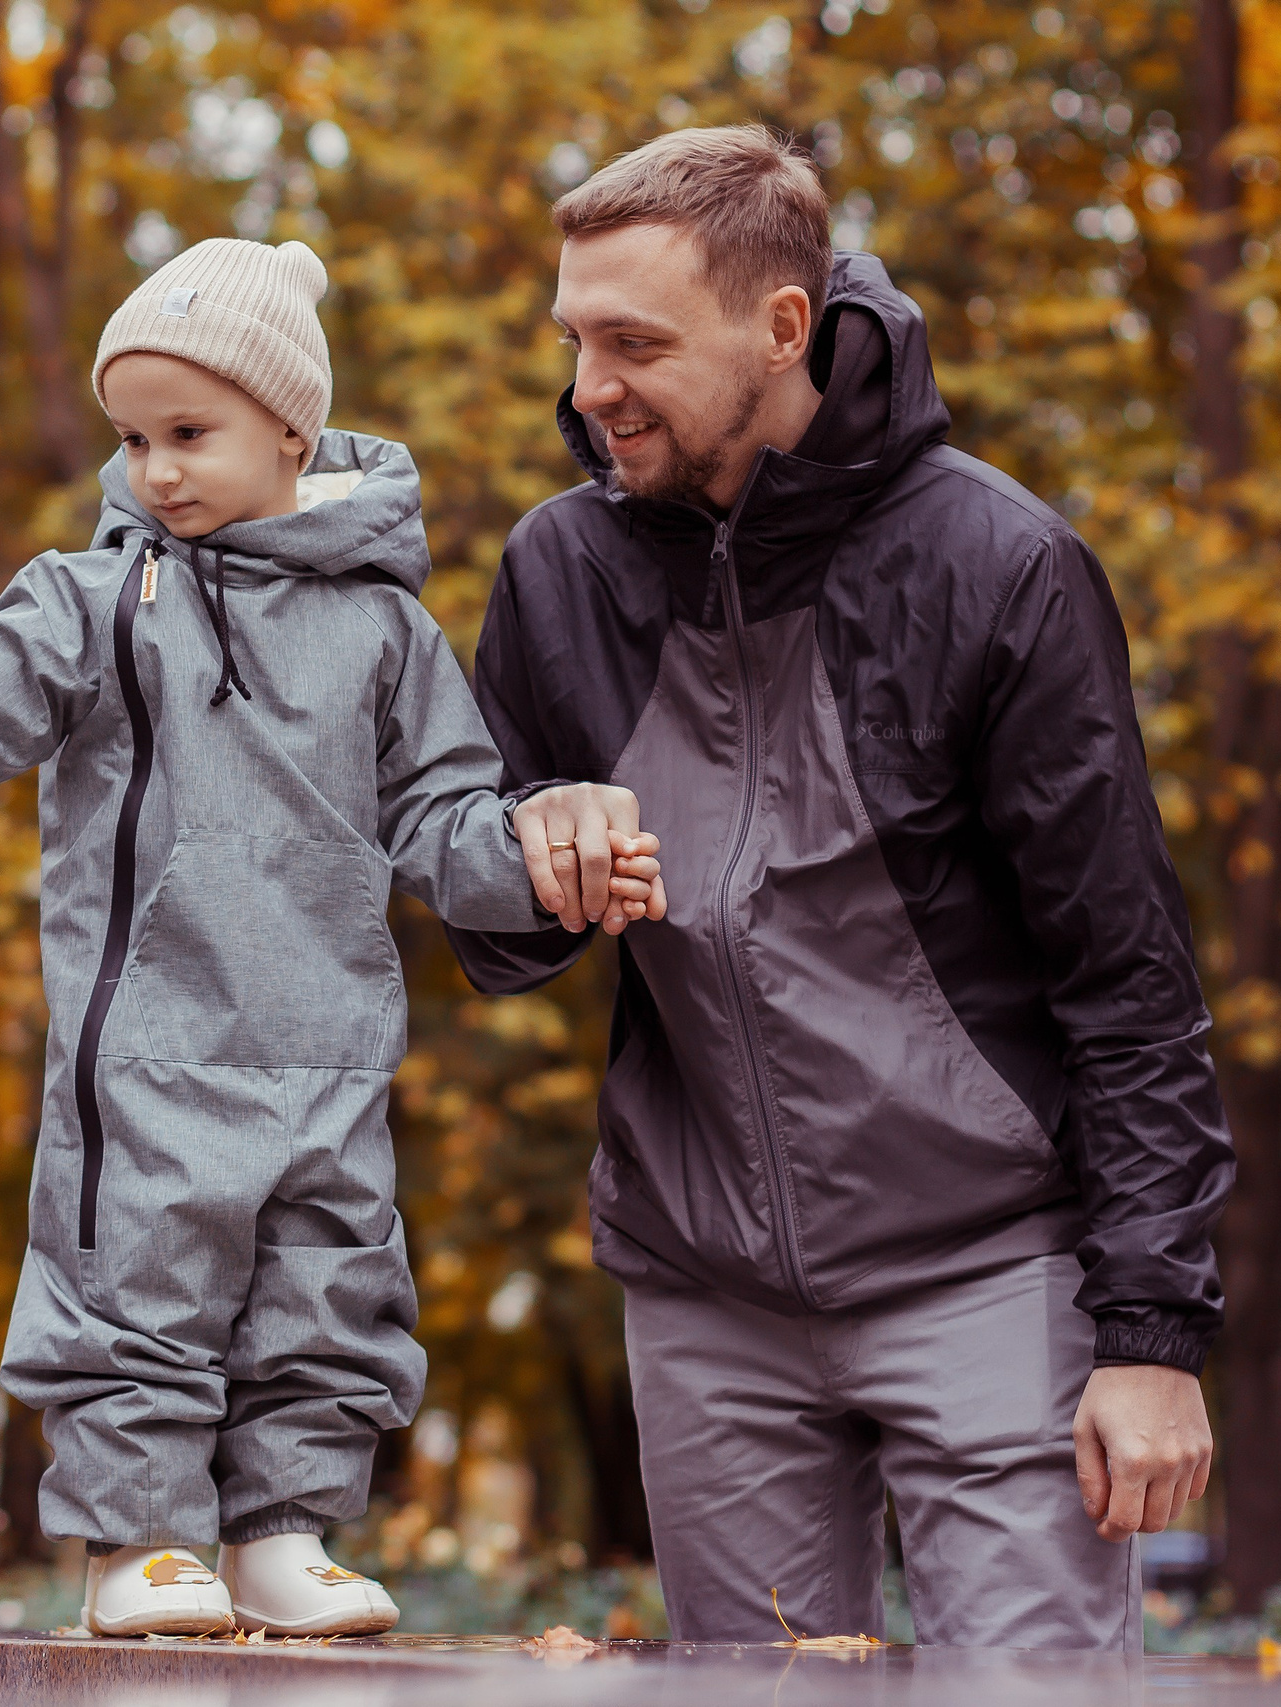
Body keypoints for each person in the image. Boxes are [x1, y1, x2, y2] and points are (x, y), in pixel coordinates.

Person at [0, 237, 661, 1638]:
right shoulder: (105, 600)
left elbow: (446, 815)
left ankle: (283, 1534)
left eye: (190, 433)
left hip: (328, 1052)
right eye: (134, 438)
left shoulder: (388, 633)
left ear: (290, 430)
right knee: (139, 1294)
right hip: (156, 1045)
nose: (156, 470)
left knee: (325, 1296)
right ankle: (141, 1543)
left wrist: (541, 874)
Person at [451, 127, 1235, 1649]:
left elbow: (1128, 982)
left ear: (783, 328)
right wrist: (524, 853)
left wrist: (1150, 1332)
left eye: (635, 344)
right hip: (705, 1298)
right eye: (574, 341)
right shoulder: (560, 569)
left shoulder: (999, 566)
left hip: (991, 1277)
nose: (589, 386)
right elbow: (489, 935)